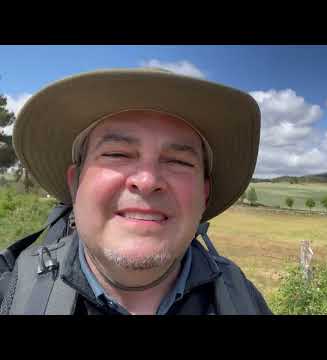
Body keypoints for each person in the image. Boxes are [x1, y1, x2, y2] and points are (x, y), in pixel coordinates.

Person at [0, 68, 272, 315]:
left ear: (204, 193)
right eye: (117, 154)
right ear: (75, 183)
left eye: (178, 161)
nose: (146, 180)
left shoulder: (242, 301)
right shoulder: (10, 293)